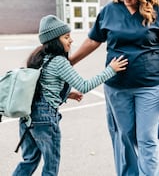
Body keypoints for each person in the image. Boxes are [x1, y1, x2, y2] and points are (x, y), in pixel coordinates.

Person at [70, 0, 159, 176]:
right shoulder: (109, 11)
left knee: (148, 137)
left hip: (151, 85)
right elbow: (94, 40)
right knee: (125, 136)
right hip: (117, 87)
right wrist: (71, 61)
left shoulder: (158, 12)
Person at [13, 15, 127, 176]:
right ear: (54, 40)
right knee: (51, 166)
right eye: (66, 37)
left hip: (27, 118)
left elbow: (43, 88)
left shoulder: (39, 58)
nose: (71, 40)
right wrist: (111, 70)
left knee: (29, 161)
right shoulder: (59, 61)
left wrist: (68, 95)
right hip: (45, 119)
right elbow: (84, 85)